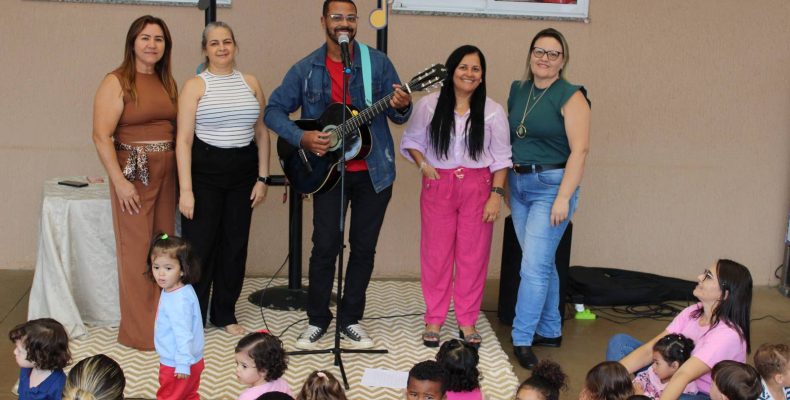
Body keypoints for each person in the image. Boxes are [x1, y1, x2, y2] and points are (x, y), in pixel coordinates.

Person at [263, 0, 412, 349]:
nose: (344, 23)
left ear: (356, 22)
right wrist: (301, 136)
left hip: (373, 173)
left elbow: (399, 115)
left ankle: (350, 319)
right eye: (337, 17)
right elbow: (273, 111)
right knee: (326, 245)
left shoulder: (376, 63)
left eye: (350, 17)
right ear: (323, 22)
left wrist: (403, 105)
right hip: (327, 172)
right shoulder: (306, 68)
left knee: (363, 248)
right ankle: (317, 319)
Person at [400, 45, 511, 348]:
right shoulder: (428, 105)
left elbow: (502, 158)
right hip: (439, 184)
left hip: (478, 187)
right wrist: (423, 164)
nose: (469, 73)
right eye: (463, 67)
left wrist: (496, 195)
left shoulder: (493, 111)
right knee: (436, 254)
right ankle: (434, 318)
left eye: (476, 68)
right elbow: (411, 140)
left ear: (482, 75)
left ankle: (467, 320)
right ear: (451, 71)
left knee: (473, 256)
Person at [176, 21, 270, 336]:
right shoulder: (194, 86)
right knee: (200, 247)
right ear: (205, 49)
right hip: (204, 174)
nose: (221, 48)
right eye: (214, 43)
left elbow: (261, 132)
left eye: (226, 41)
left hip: (242, 172)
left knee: (234, 245)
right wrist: (185, 190)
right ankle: (194, 315)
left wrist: (263, 177)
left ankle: (224, 313)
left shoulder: (251, 82)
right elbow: (184, 141)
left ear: (235, 45)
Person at [91, 14, 179, 351]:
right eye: (145, 38)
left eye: (158, 39)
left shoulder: (166, 81)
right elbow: (101, 136)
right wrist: (120, 182)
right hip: (134, 172)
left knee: (163, 247)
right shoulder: (116, 80)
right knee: (136, 252)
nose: (152, 44)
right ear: (132, 42)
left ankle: (163, 321)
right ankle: (141, 333)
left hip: (166, 170)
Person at [506, 27, 591, 369]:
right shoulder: (518, 90)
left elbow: (580, 150)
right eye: (539, 51)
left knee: (533, 269)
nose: (544, 58)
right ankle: (551, 328)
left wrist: (564, 198)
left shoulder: (572, 96)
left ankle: (522, 339)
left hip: (551, 187)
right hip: (519, 184)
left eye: (553, 53)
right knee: (539, 262)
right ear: (530, 55)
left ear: (563, 60)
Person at [610, 259, 753, 400]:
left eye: (708, 277)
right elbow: (651, 350)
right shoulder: (693, 311)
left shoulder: (728, 334)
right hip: (671, 375)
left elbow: (683, 375)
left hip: (701, 394)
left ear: (724, 295)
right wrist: (605, 382)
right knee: (620, 343)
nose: (700, 277)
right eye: (704, 273)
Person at [147, 234, 205, 399]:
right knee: (189, 395)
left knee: (169, 396)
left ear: (183, 270)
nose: (161, 274)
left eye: (168, 268)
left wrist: (182, 364)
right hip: (192, 359)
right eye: (156, 267)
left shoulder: (178, 301)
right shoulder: (182, 289)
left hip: (178, 363)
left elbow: (183, 333)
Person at [9, 318, 71, 400]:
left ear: (39, 357)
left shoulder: (59, 386)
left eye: (19, 351)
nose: (15, 352)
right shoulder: (26, 369)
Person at [633, 334, 698, 399]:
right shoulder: (654, 372)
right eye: (653, 362)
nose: (653, 366)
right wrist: (637, 384)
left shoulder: (686, 388)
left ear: (674, 366)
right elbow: (642, 377)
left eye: (657, 363)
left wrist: (641, 395)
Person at [235, 331, 292, 399]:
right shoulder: (282, 382)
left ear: (263, 370)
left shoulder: (247, 397)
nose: (237, 369)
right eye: (237, 363)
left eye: (244, 366)